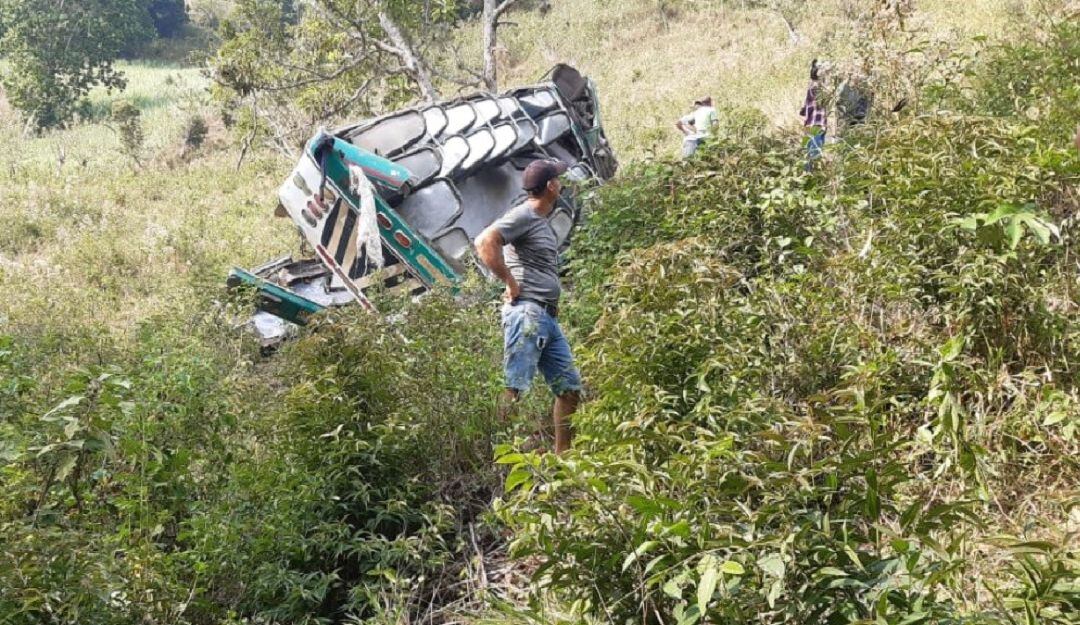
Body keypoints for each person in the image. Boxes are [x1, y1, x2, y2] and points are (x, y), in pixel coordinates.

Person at [475, 159, 582, 454]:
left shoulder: (539, 222)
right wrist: (509, 281)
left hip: (546, 317)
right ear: (550, 186)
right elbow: (485, 241)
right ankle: (501, 459)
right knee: (515, 387)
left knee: (569, 389)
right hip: (527, 313)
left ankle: (563, 459)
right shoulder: (524, 215)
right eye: (557, 180)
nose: (561, 184)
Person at [799, 59, 827, 169]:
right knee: (814, 153)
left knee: (811, 151)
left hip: (812, 123)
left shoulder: (812, 86)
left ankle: (809, 173)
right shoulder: (817, 86)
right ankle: (809, 174)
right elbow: (821, 102)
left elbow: (805, 107)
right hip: (816, 123)